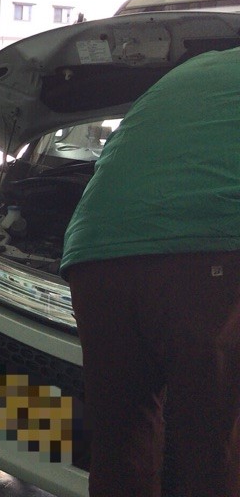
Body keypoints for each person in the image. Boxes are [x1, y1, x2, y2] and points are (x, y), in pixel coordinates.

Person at [61, 46, 240, 497]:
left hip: (93, 254)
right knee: (210, 444)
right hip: (199, 257)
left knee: (120, 442)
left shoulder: (196, 68)